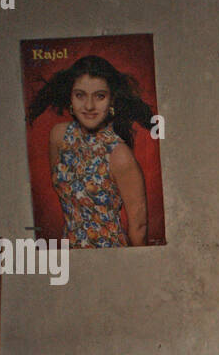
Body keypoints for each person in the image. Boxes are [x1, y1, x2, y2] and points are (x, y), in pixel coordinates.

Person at [26, 55, 154, 247]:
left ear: (111, 100)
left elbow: (139, 227)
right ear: (70, 96)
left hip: (111, 259)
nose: (89, 106)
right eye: (80, 95)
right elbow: (65, 193)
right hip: (71, 257)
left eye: (100, 96)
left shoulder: (119, 154)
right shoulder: (59, 136)